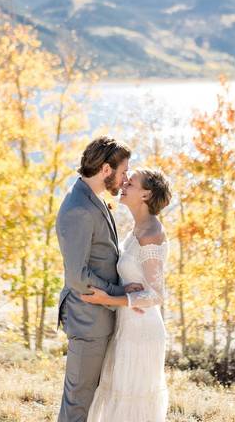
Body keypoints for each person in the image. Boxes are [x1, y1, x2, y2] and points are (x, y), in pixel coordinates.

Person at [56, 136, 143, 422]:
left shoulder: (91, 199)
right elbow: (78, 276)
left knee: (90, 401)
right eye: (122, 172)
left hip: (97, 317)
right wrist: (117, 292)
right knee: (78, 401)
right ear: (106, 169)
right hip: (87, 317)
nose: (125, 178)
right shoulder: (78, 208)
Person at [81, 167, 172, 422]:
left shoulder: (152, 234)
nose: (124, 185)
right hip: (127, 326)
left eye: (131, 183)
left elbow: (156, 295)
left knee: (132, 405)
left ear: (146, 195)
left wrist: (108, 299)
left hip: (142, 332)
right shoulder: (138, 229)